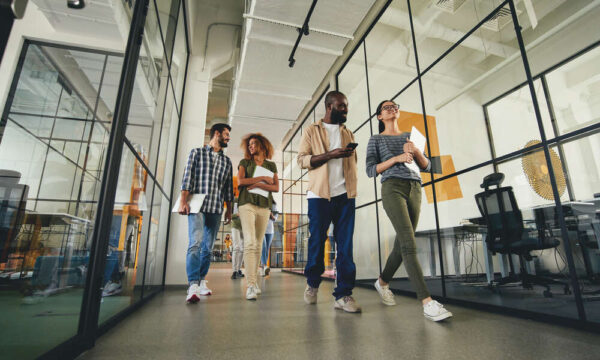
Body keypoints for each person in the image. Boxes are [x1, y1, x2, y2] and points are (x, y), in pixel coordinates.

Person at [366, 100, 452, 322]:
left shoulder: (411, 137)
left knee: (402, 244)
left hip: (414, 188)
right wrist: (396, 158)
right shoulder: (376, 139)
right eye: (386, 107)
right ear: (379, 117)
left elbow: (427, 167)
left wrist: (415, 151)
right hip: (392, 187)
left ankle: (383, 282)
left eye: (395, 106)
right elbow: (370, 170)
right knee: (409, 245)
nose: (392, 109)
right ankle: (427, 303)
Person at [296, 90, 361, 313]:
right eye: (342, 106)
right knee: (317, 242)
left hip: (345, 196)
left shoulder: (348, 133)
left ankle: (343, 294)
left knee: (345, 246)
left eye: (347, 106)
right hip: (319, 196)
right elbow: (302, 160)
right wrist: (330, 155)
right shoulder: (311, 131)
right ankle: (313, 284)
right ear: (330, 106)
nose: (346, 110)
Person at [179, 123, 233, 304]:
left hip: (216, 208)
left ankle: (201, 280)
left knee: (208, 249)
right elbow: (188, 178)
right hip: (198, 206)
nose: (228, 138)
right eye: (226, 134)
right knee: (195, 243)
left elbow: (228, 190)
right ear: (216, 133)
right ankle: (192, 285)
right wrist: (182, 201)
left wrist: (229, 211)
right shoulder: (197, 153)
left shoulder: (227, 162)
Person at [237, 133, 279, 300]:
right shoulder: (244, 162)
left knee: (259, 244)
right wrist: (262, 178)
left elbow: (275, 187)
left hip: (264, 207)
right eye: (249, 145)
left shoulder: (271, 165)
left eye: (253, 143)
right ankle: (251, 285)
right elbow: (240, 182)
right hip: (246, 203)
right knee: (250, 242)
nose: (250, 147)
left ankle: (254, 283)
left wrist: (255, 184)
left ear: (262, 145)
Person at [259, 201, 278, 276]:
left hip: (270, 230)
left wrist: (271, 215)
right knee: (263, 247)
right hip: (261, 229)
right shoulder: (260, 202)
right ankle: (264, 265)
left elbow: (275, 218)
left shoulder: (273, 204)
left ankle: (262, 268)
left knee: (266, 249)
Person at [230, 198, 245, 279]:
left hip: (245, 228)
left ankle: (238, 269)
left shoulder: (247, 201)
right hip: (235, 226)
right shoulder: (235, 201)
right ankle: (234, 271)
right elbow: (229, 215)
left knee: (243, 249)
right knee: (237, 247)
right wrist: (237, 215)